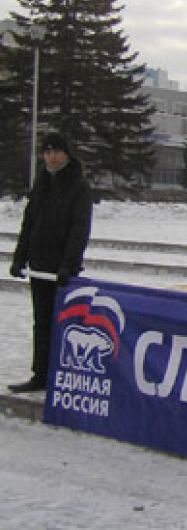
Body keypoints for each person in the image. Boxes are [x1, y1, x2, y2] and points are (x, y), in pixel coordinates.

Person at [8, 132, 93, 392]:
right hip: (40, 266)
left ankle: (64, 373)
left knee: (64, 324)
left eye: (56, 151)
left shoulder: (78, 187)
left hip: (62, 270)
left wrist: (68, 265)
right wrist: (20, 257)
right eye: (47, 151)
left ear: (67, 153)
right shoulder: (41, 184)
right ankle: (40, 374)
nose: (51, 157)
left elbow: (79, 229)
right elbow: (29, 223)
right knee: (41, 322)